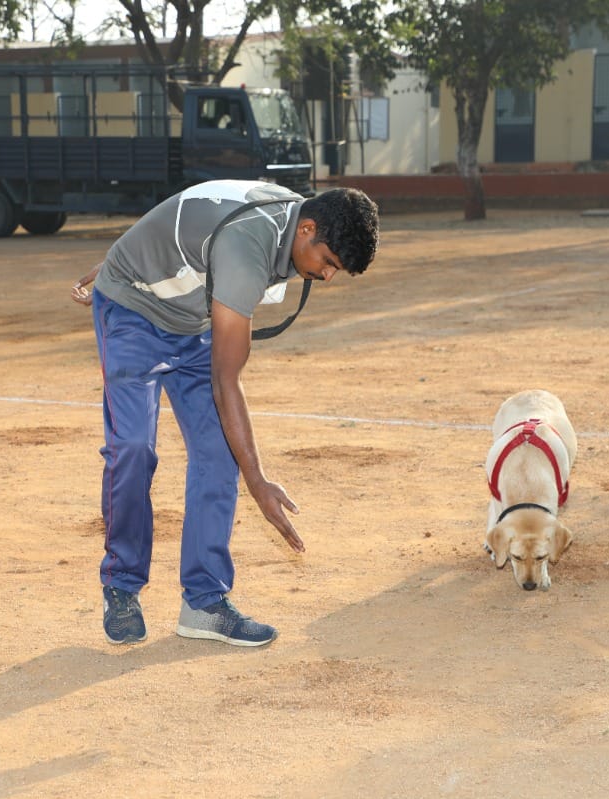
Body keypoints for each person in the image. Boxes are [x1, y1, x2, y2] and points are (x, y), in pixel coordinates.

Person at [70, 179, 379, 647]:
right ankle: (122, 585)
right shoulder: (247, 247)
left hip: (190, 323)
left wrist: (127, 252)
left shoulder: (302, 216)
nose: (327, 276)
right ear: (306, 230)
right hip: (133, 311)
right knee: (133, 447)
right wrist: (258, 480)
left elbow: (190, 211)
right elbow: (225, 379)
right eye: (328, 263)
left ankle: (204, 601)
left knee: (218, 454)